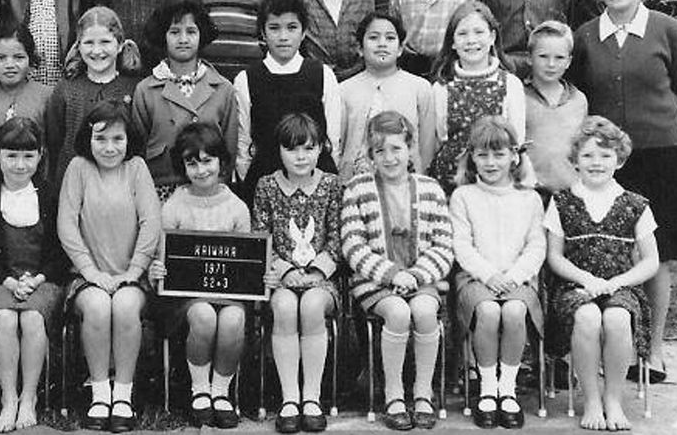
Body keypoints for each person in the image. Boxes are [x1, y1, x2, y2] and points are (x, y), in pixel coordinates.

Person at [568, 0, 677, 385]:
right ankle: (611, 348)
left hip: (660, 155)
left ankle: (652, 352)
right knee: (606, 251)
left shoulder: (668, 30)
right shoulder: (585, 36)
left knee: (658, 254)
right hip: (606, 163)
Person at [544, 116, 659, 431]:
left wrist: (616, 282)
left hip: (621, 286)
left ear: (619, 160)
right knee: (588, 317)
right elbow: (554, 256)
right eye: (588, 156)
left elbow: (650, 261)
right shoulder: (562, 201)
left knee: (618, 318)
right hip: (574, 286)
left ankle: (613, 399)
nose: (596, 163)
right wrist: (586, 280)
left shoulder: (635, 204)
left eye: (605, 155)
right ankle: (592, 399)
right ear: (575, 161)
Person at [341, 110, 454, 431]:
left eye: (396, 149)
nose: (389, 158)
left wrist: (416, 276)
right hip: (375, 281)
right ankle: (393, 393)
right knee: (398, 313)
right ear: (370, 154)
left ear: (410, 149)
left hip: (422, 278)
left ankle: (422, 392)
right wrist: (392, 275)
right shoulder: (358, 189)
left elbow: (444, 247)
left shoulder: (430, 189)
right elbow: (353, 245)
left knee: (423, 310)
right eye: (380, 151)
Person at [57, 100, 162, 432]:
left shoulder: (137, 169)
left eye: (117, 139)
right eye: (101, 139)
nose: (109, 147)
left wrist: (134, 271)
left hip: (132, 274)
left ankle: (124, 396)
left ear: (129, 139)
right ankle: (100, 393)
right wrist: (91, 273)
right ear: (88, 139)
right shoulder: (78, 168)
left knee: (126, 306)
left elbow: (151, 222)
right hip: (87, 276)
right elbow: (67, 225)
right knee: (100, 308)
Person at [148, 123, 252, 428]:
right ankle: (199, 389)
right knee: (205, 315)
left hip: (228, 294)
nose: (201, 170)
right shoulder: (174, 205)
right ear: (182, 166)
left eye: (207, 161)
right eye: (191, 163)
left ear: (221, 161)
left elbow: (247, 262)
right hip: (187, 300)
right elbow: (162, 258)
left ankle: (221, 391)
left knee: (233, 319)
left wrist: (260, 277)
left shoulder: (237, 207)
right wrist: (158, 271)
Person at [0, 117, 64, 432]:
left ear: (40, 156)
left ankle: (29, 397)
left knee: (32, 317)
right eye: (11, 155)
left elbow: (61, 251)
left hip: (42, 280)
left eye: (28, 156)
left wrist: (36, 280)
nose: (20, 165)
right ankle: (8, 399)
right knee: (7, 317)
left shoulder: (50, 193)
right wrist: (8, 281)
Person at [449, 116, 546, 429]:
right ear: (471, 157)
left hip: (519, 278)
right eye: (483, 155)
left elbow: (536, 246)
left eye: (499, 154)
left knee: (515, 310)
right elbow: (461, 246)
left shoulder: (529, 198)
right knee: (489, 311)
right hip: (476, 277)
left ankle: (508, 389)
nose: (491, 162)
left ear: (514, 156)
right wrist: (489, 275)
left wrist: (515, 276)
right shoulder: (463, 196)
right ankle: (487, 389)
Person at [252, 113, 342, 433]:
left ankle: (312, 397)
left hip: (322, 280)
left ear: (321, 149)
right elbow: (261, 236)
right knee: (287, 307)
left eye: (308, 148)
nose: (300, 157)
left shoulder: (331, 184)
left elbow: (337, 238)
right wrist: (286, 270)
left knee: (312, 305)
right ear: (279, 151)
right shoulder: (266, 186)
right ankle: (290, 398)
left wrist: (318, 272)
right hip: (282, 280)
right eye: (292, 150)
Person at [233, 0, 341, 203]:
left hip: (315, 182)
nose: (283, 36)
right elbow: (243, 144)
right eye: (274, 28)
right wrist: (252, 186)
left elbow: (332, 141)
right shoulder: (246, 79)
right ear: (263, 33)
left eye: (292, 28)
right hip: (264, 184)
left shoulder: (322, 74)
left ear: (303, 33)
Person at [132, 0, 238, 198]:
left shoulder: (223, 89)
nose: (183, 39)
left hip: (208, 189)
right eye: (174, 32)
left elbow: (229, 151)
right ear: (163, 36)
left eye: (191, 31)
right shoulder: (145, 90)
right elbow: (137, 152)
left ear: (202, 35)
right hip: (158, 189)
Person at [427, 1, 526, 195]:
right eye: (462, 34)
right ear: (453, 43)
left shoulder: (510, 84)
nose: (471, 40)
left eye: (479, 32)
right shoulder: (442, 87)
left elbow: (517, 141)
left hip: (495, 179)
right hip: (451, 180)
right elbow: (437, 139)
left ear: (492, 37)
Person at [44, 6, 143, 191]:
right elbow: (54, 140)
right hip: (73, 184)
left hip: (121, 185)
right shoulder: (66, 88)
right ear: (78, 46)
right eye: (89, 43)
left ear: (120, 44)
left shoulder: (135, 88)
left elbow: (139, 142)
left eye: (105, 42)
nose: (97, 51)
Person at [337, 12, 435, 181]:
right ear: (360, 48)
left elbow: (427, 144)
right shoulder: (344, 90)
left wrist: (421, 177)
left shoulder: (420, 88)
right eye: (373, 38)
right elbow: (338, 143)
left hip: (407, 181)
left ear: (400, 49)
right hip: (357, 183)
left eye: (390, 38)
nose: (382, 44)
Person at [0, 23, 53, 187]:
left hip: (32, 187)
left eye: (18, 57)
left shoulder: (46, 96)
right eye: (1, 58)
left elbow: (52, 146)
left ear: (30, 58)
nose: (10, 64)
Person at [523, 21, 587, 198]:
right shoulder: (518, 96)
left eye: (559, 58)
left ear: (569, 61)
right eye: (543, 56)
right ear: (529, 57)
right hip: (530, 193)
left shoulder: (578, 100)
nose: (551, 64)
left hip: (571, 192)